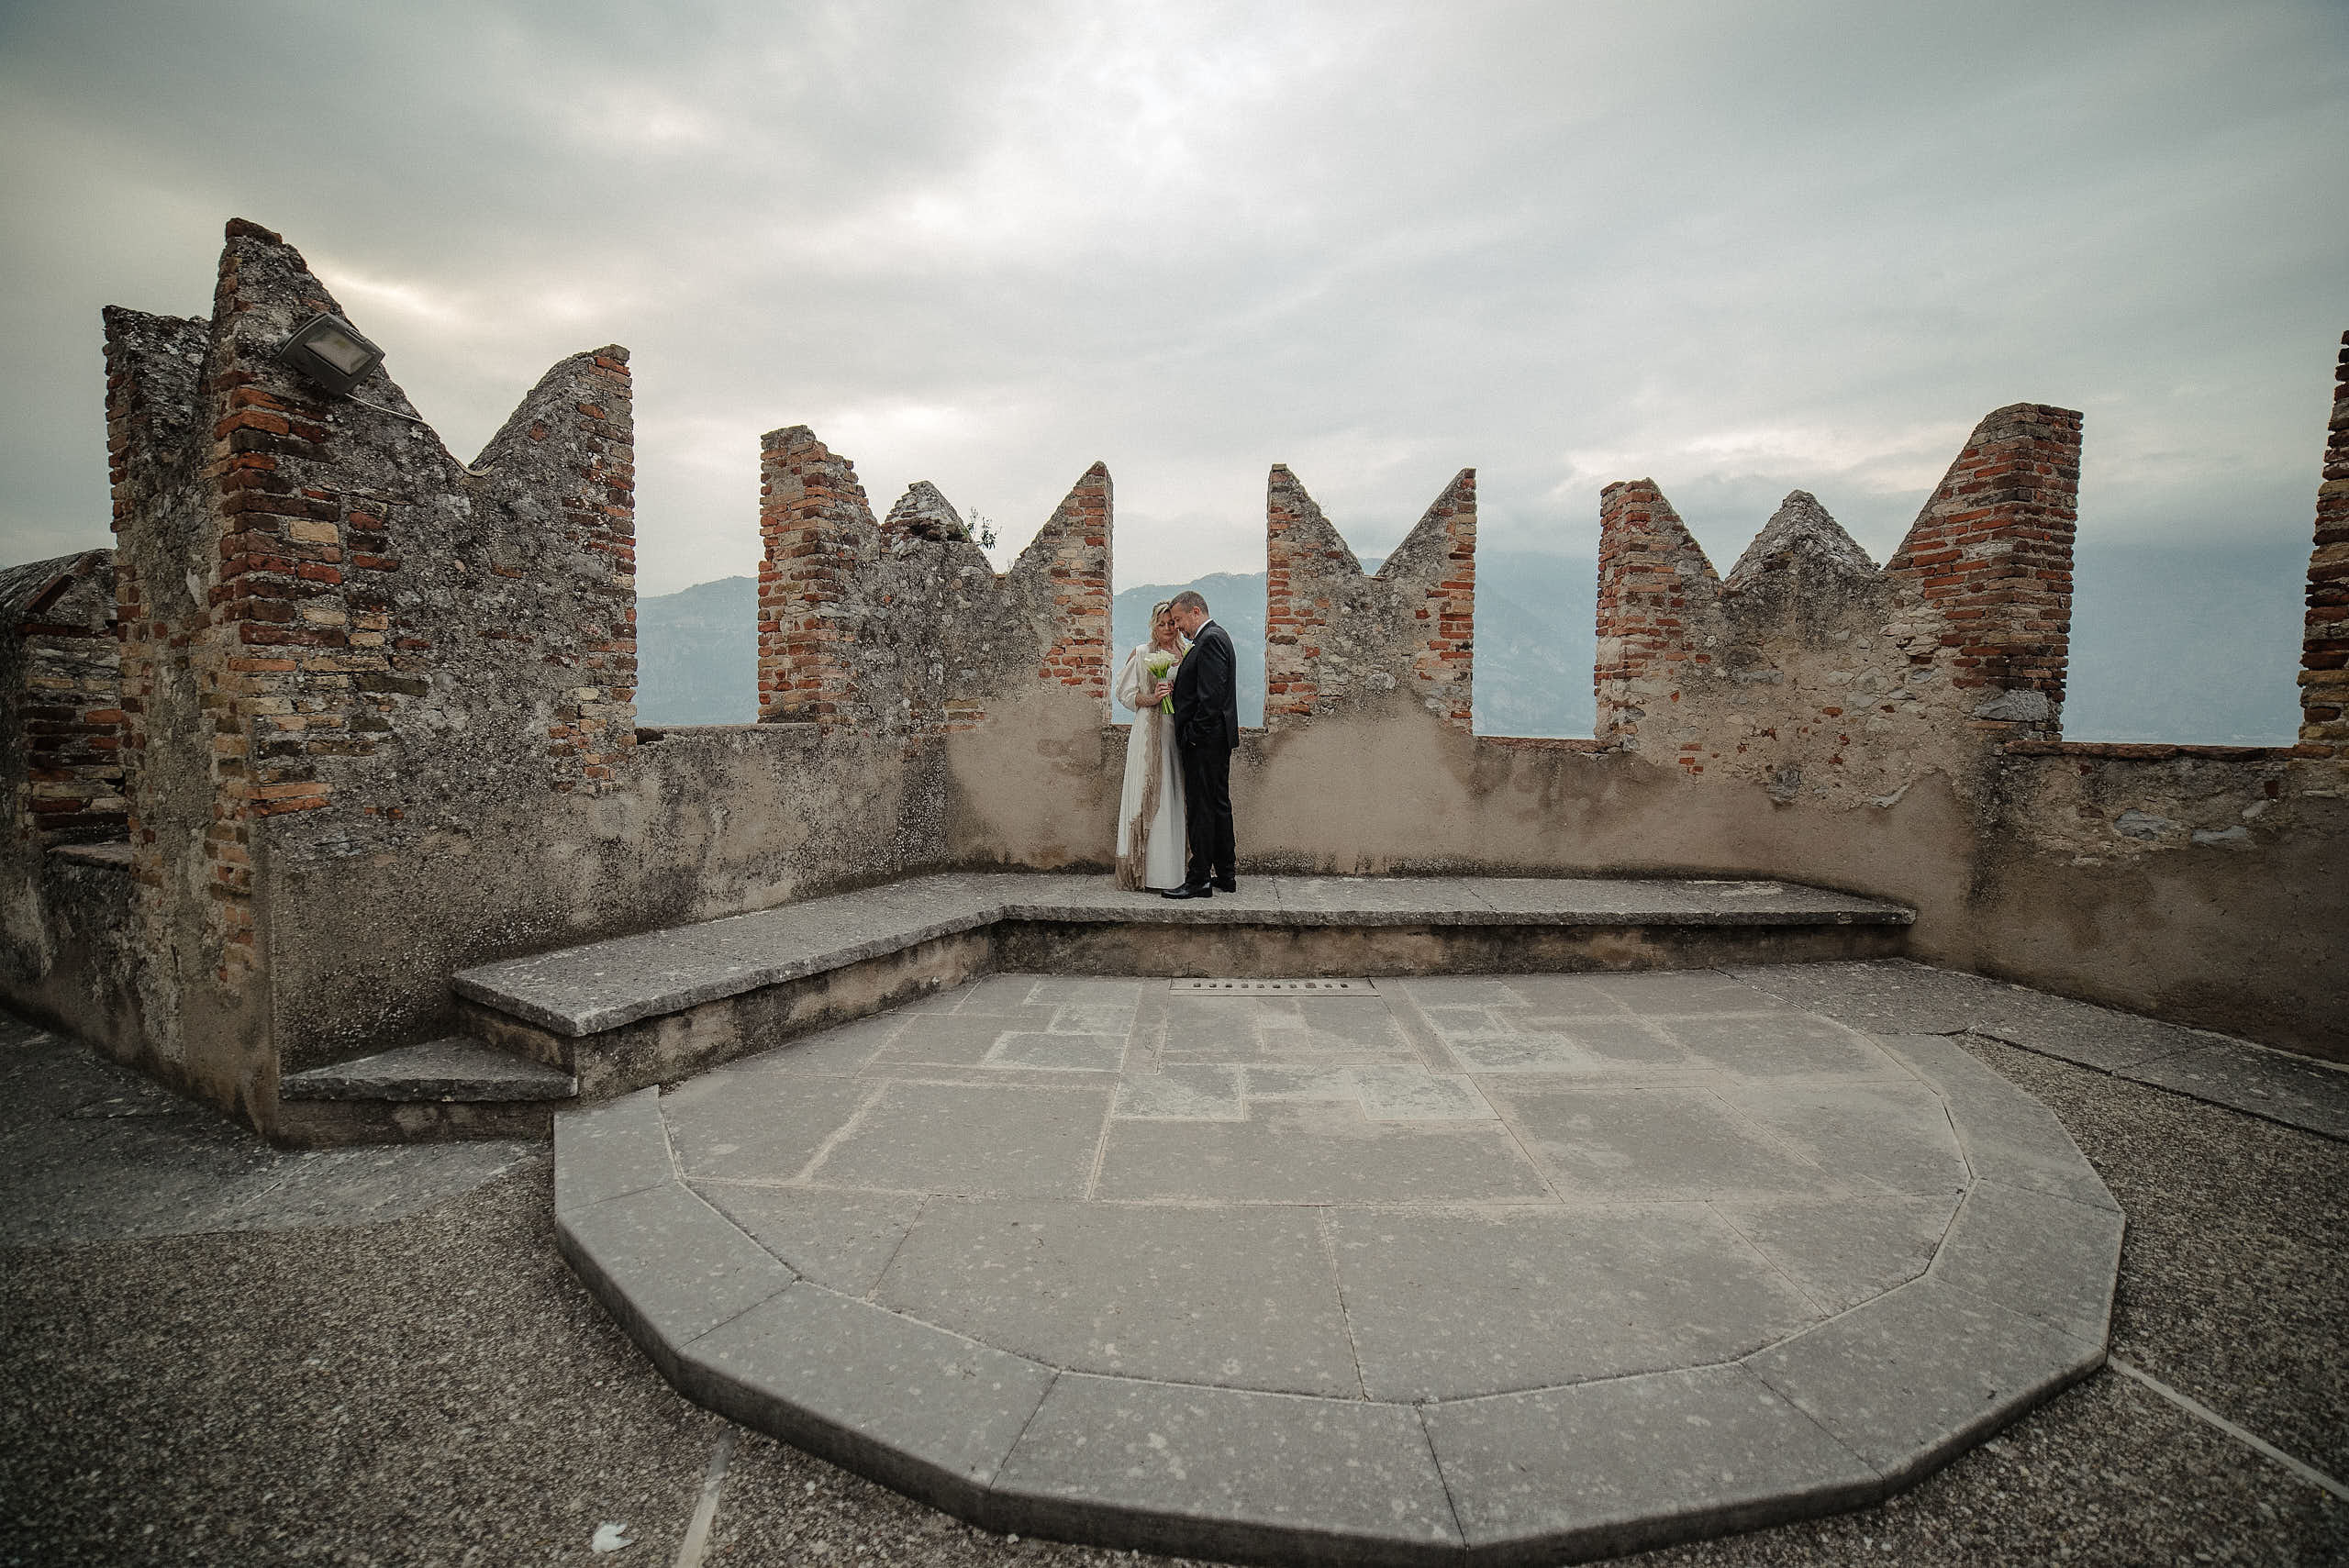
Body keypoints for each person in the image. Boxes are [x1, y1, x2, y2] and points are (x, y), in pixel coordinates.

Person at [1163, 589, 1238, 898]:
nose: (1178, 626)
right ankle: (1225, 874)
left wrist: (1192, 736)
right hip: (1214, 740)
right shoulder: (1215, 639)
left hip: (1205, 742)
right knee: (1217, 805)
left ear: (1196, 612)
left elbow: (1211, 698)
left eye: (1179, 619)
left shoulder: (1210, 641)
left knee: (1201, 809)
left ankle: (1199, 880)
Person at [1112, 601, 1189, 890]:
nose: (1168, 628)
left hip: (1177, 733)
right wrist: (1153, 697)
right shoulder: (1142, 654)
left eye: (1172, 623)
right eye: (1162, 624)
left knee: (1174, 793)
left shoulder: (1187, 654)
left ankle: (1174, 873)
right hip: (1148, 733)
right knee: (1148, 793)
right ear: (1153, 626)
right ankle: (1146, 871)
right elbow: (1126, 694)